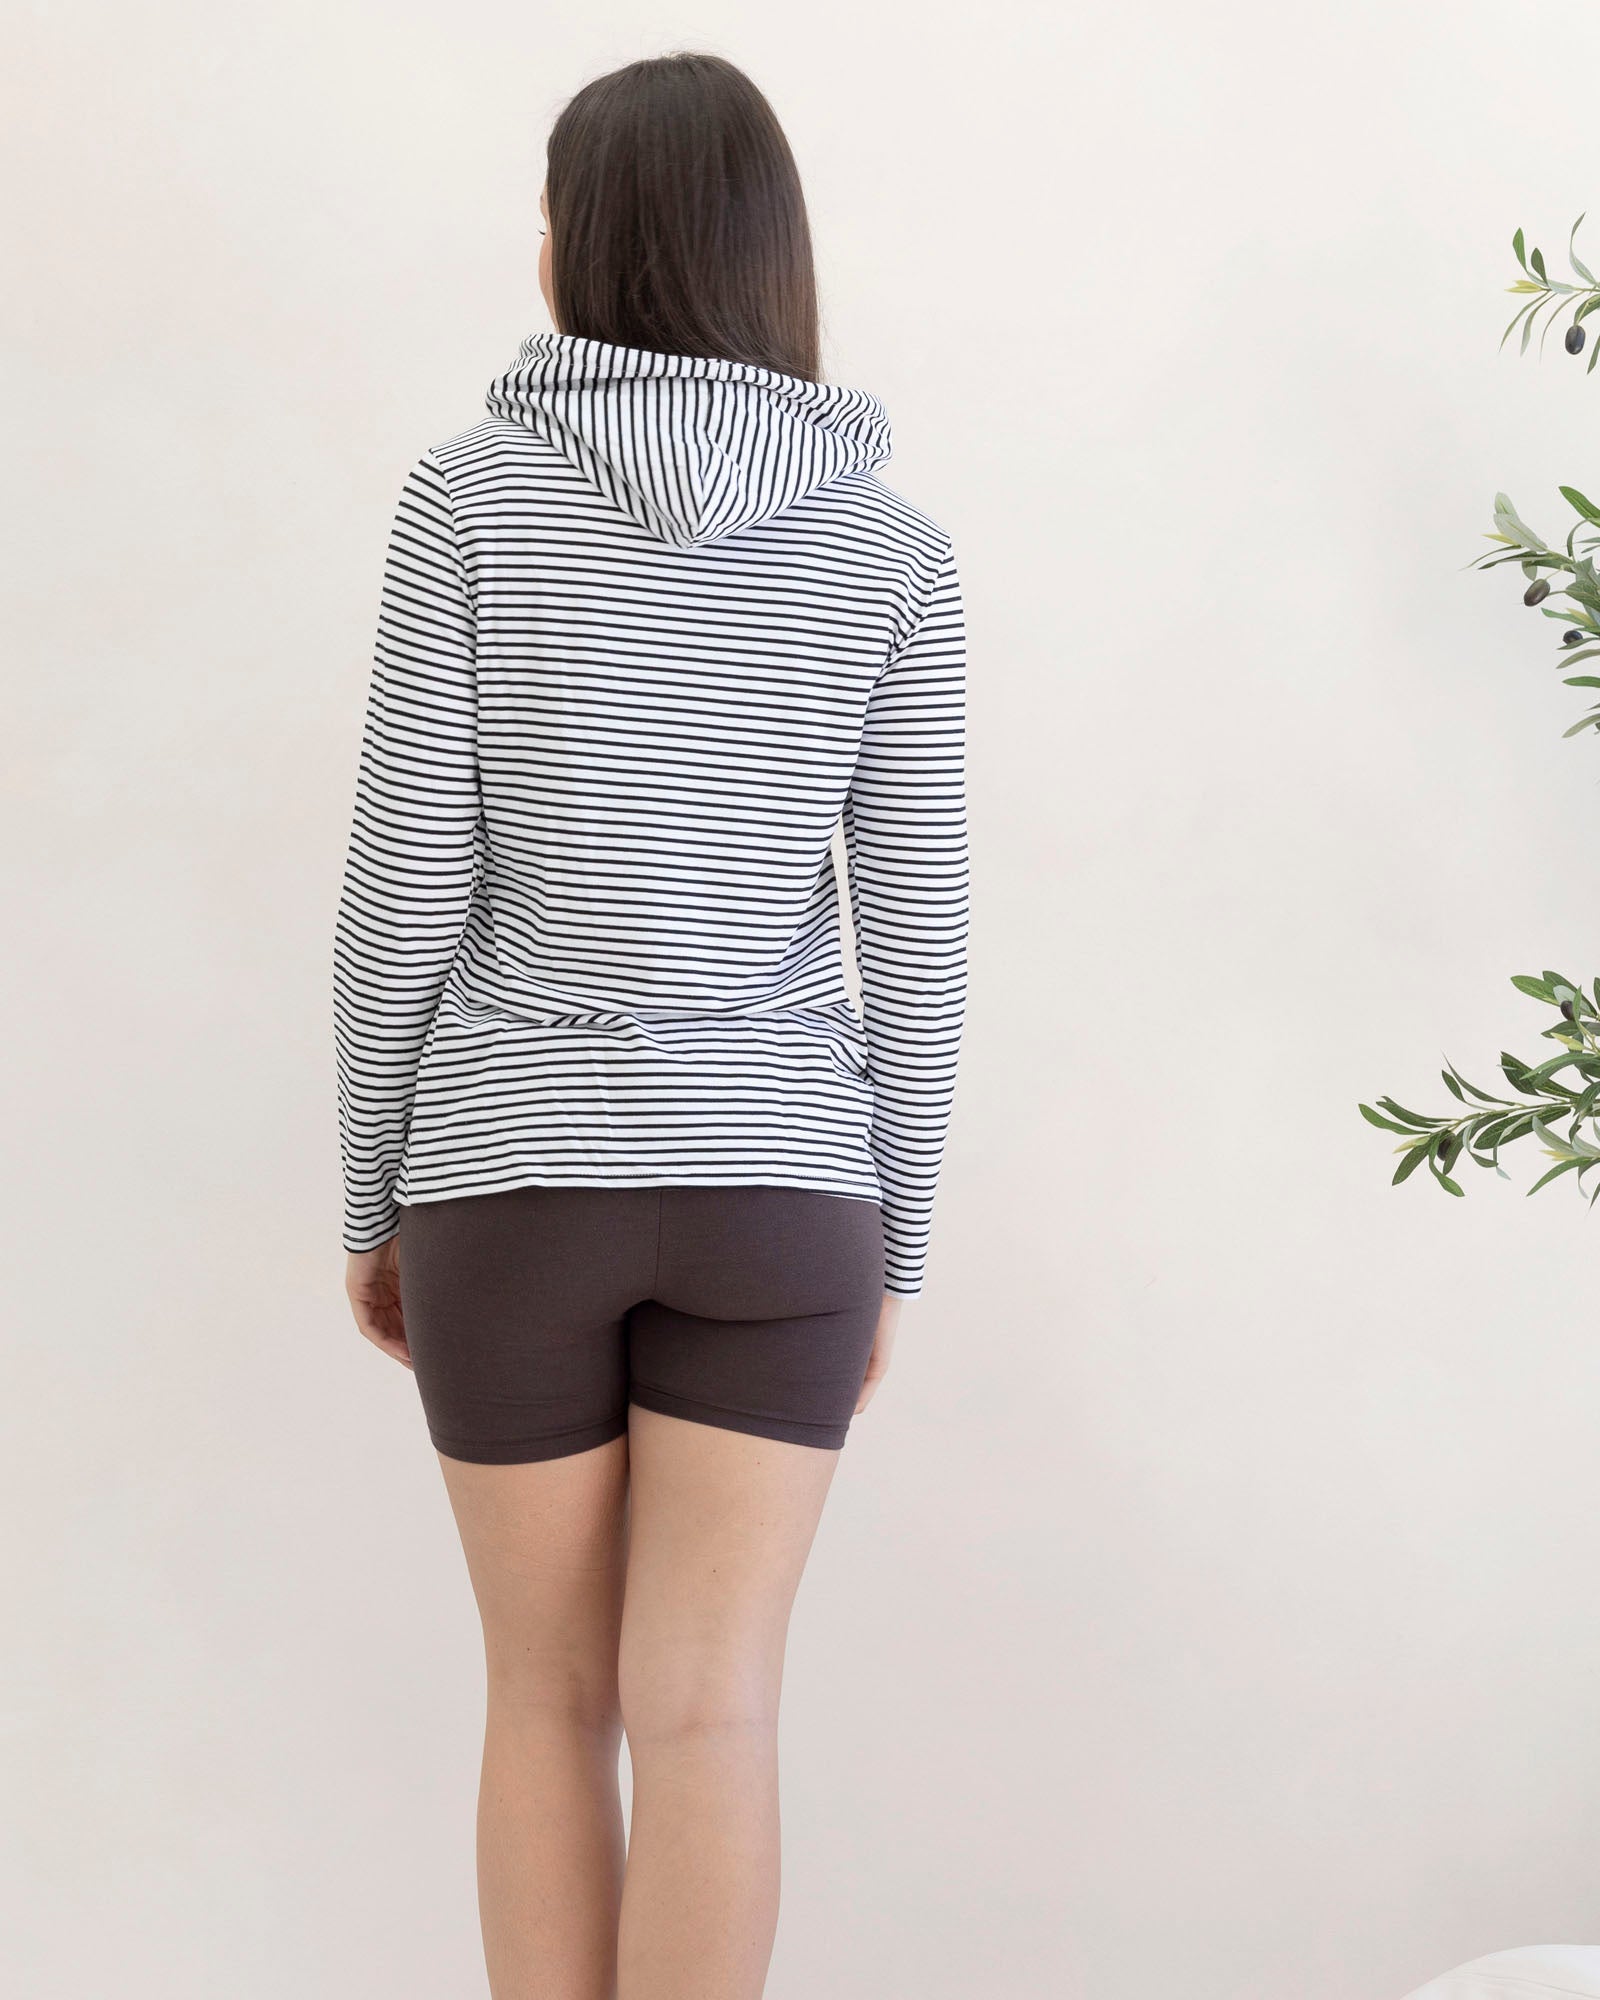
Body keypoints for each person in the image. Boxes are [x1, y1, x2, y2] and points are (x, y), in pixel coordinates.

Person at [334, 49, 967, 2000]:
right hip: (782, 1190)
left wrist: (372, 1200)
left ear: (579, 245)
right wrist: (893, 1242)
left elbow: (399, 893)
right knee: (712, 1710)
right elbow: (918, 940)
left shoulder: (467, 504)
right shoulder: (891, 551)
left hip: (509, 1177)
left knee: (546, 1700)